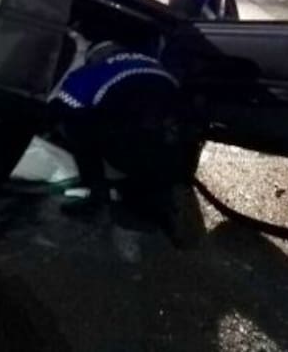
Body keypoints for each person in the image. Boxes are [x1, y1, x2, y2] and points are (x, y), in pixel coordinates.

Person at [49, 33, 190, 240]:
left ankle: (97, 197)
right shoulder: (154, 64)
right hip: (176, 151)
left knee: (76, 124)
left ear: (93, 57)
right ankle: (165, 203)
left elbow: (63, 107)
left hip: (128, 149)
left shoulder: (93, 70)